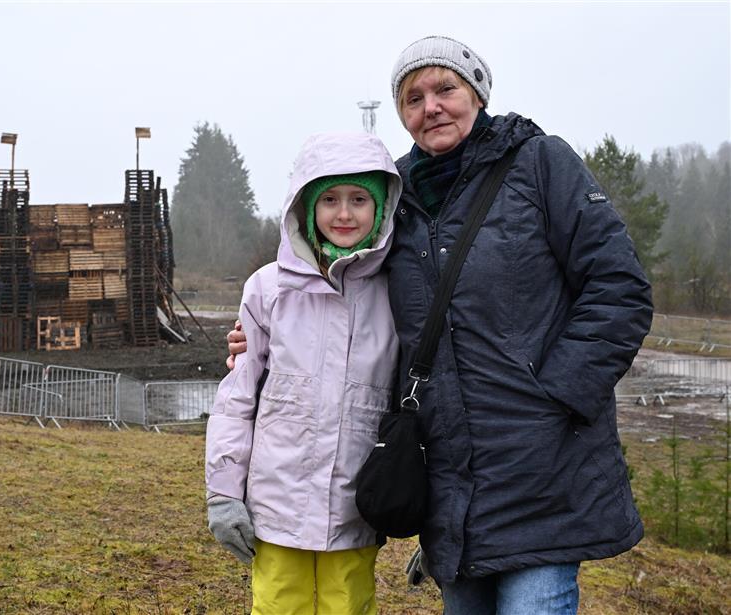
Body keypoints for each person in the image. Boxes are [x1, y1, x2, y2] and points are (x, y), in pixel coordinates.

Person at [226, 35, 654, 614]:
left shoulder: (539, 163)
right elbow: (352, 288)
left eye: (445, 88)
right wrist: (272, 338)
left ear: (476, 93)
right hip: (451, 475)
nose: (431, 106)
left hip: (543, 464)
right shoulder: (394, 193)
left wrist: (558, 394)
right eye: (412, 97)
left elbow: (618, 286)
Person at [205, 131, 402, 614]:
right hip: (277, 506)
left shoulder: (399, 292)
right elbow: (238, 397)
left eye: (359, 199)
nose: (343, 214)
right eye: (329, 199)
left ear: (381, 208)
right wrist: (223, 492)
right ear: (304, 206)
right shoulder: (268, 290)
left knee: (348, 606)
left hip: (356, 504)